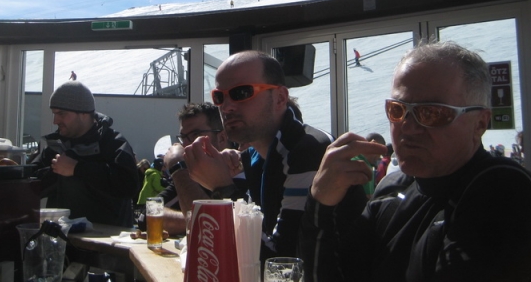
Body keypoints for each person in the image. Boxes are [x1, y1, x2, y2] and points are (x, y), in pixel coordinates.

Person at [301, 41, 531, 281]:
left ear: (479, 123)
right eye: (397, 110)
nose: (408, 127)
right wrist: (320, 202)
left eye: (432, 112)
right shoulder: (392, 189)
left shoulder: (503, 191)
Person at [184, 50, 366, 261]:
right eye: (219, 97)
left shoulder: (308, 151)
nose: (226, 107)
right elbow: (263, 236)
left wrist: (222, 189)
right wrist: (230, 179)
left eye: (241, 92)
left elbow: (280, 263)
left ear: (280, 98)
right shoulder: (256, 157)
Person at [30, 81, 139, 227]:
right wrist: (55, 171)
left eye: (61, 114)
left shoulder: (113, 142)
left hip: (107, 239)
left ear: (83, 113)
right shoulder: (55, 146)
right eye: (54, 114)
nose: (55, 121)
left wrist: (78, 168)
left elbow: (129, 185)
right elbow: (30, 186)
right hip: (62, 237)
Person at [158, 102, 244, 235]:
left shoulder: (244, 168)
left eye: (195, 135)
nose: (186, 145)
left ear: (222, 138)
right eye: (183, 138)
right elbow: (148, 213)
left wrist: (177, 167)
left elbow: (224, 233)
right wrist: (189, 219)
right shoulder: (192, 174)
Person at [351, 132, 385, 198]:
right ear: (374, 144)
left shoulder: (351, 159)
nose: (379, 157)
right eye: (380, 152)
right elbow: (368, 200)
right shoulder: (365, 169)